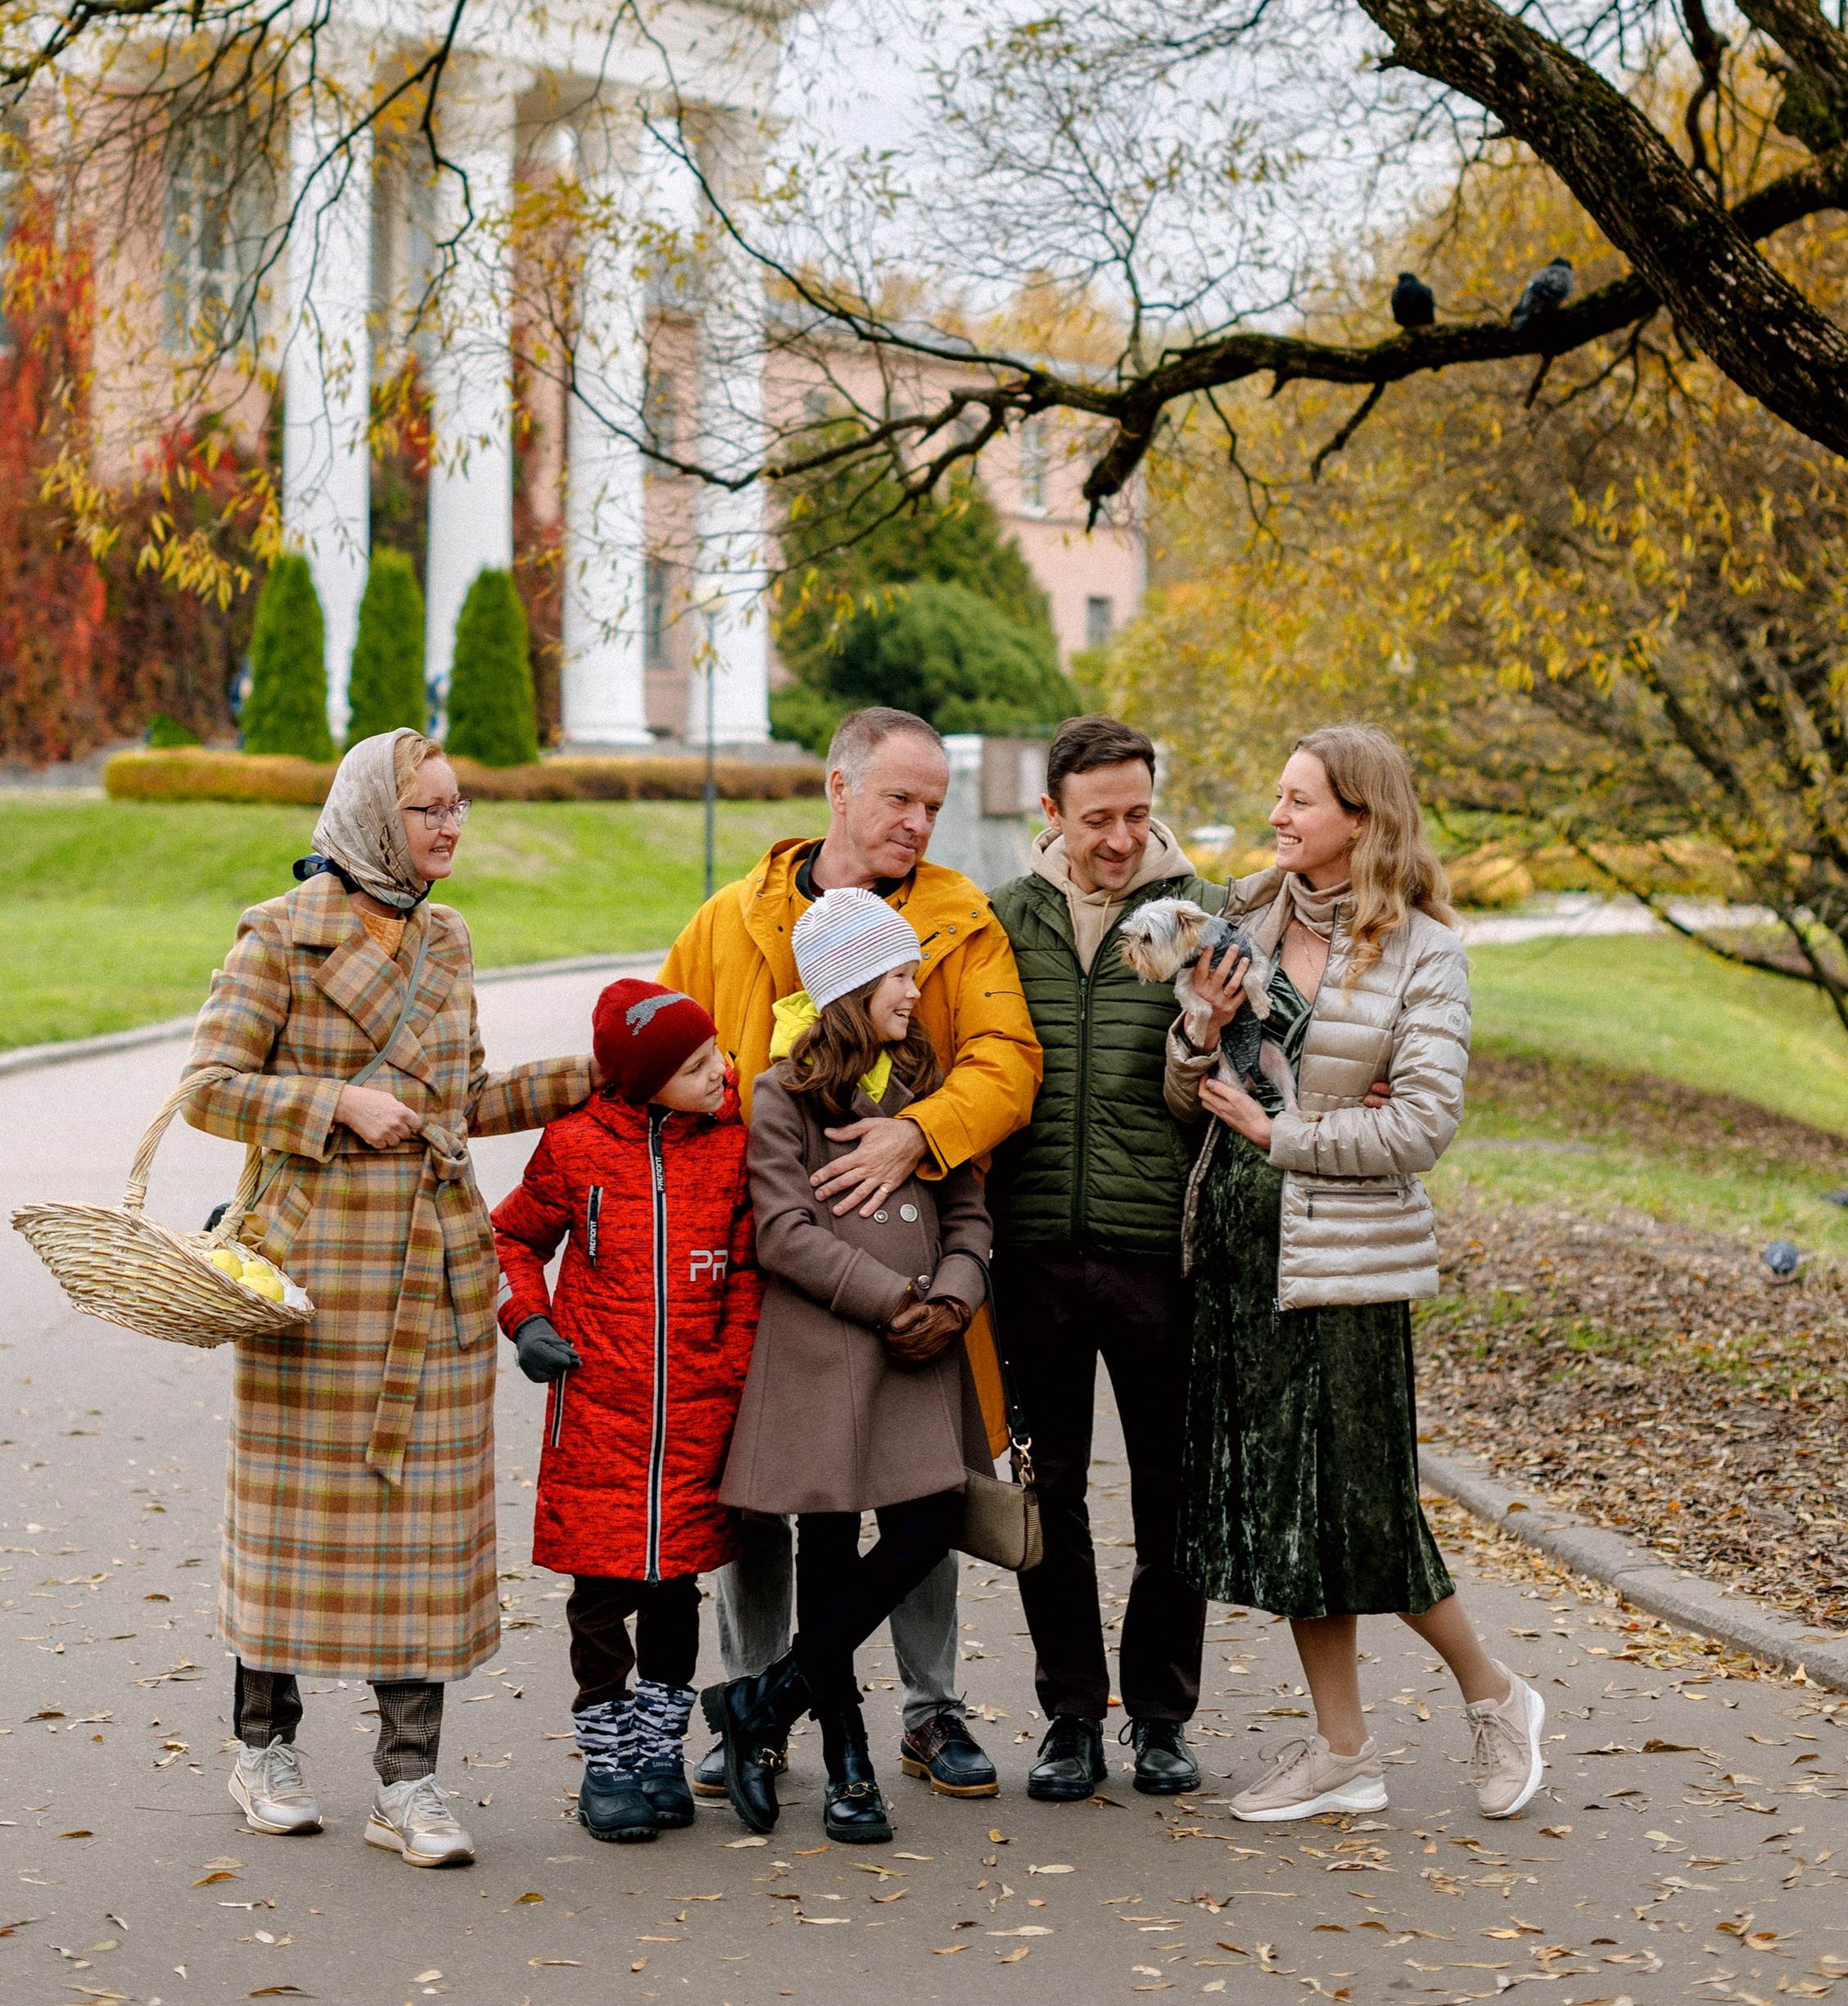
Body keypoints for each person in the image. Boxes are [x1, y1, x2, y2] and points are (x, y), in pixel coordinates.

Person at [180, 726, 593, 1869]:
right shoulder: (279, 934)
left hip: (434, 1274)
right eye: (428, 810)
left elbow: (461, 1097)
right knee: (292, 1528)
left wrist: (601, 1071)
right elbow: (207, 1091)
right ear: (373, 815)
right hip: (312, 1284)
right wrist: (337, 1107)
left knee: (421, 1538)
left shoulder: (447, 938)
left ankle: (408, 1781)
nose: (450, 825)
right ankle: (262, 1747)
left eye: (458, 806)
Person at [1164, 722, 1546, 1824]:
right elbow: (1182, 1080)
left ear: (1362, 819)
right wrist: (1205, 1024)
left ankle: (1497, 1694)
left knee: (1365, 1508)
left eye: (1300, 801)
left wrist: (1287, 1137)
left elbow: (1424, 1123)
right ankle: (1343, 1751)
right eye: (1277, 796)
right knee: (1288, 1513)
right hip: (1241, 1256)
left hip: (1347, 1265)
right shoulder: (1243, 917)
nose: (1278, 817)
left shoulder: (1425, 950)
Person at [660, 703, 1041, 1800]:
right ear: (839, 789)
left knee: (922, 1490)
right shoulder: (732, 922)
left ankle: (927, 1707)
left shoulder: (961, 924)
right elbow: (669, 1072)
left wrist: (918, 1132)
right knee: (773, 1499)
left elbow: (1008, 1064)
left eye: (933, 805)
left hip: (923, 1270)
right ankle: (761, 1712)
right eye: (898, 799)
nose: (918, 822)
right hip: (769, 1282)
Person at [706, 887, 996, 1844]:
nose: (916, 991)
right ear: (851, 985)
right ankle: (847, 1761)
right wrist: (891, 1300)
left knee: (922, 1532)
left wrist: (954, 1294)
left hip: (922, 1356)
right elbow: (783, 1231)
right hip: (830, 1356)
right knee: (828, 1560)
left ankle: (764, 1699)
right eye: (901, 975)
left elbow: (968, 1213)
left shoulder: (923, 1083)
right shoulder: (783, 1091)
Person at [983, 713, 1224, 1803]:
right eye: (1098, 819)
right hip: (1032, 1252)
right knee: (1052, 1497)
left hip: (1155, 1256)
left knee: (1174, 1496)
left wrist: (1197, 1041)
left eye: (1137, 813)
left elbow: (1207, 1101)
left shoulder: (1194, 920)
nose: (1121, 838)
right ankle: (1073, 1714)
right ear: (1053, 816)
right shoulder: (1006, 920)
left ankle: (1163, 1717)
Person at [489, 977, 759, 1844]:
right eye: (692, 1065)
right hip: (599, 1410)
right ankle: (606, 1763)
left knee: (675, 1588)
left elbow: (751, 1272)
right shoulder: (572, 1147)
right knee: (601, 1597)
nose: (717, 1070)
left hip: (696, 1413)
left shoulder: (733, 1148)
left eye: (712, 1050)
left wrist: (735, 1362)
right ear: (642, 1082)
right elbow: (513, 1236)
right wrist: (527, 1319)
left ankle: (658, 1754)